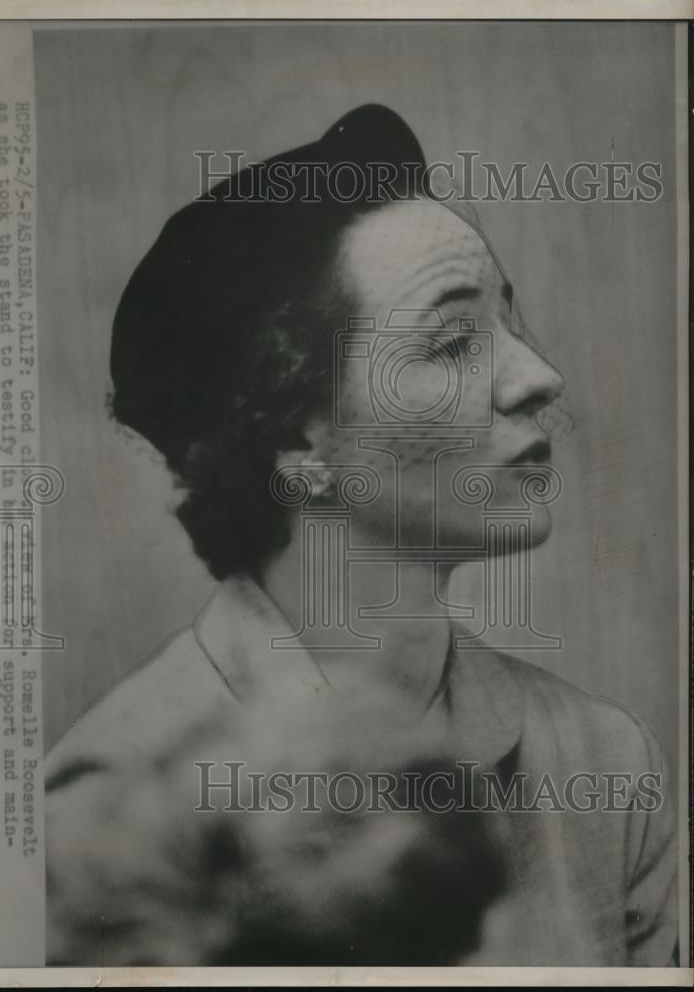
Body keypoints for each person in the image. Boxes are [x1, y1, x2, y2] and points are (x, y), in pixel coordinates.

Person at [44, 104, 677, 966]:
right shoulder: (109, 810)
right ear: (295, 439)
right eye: (454, 342)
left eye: (510, 323)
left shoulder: (601, 761)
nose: (539, 376)